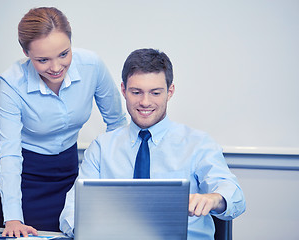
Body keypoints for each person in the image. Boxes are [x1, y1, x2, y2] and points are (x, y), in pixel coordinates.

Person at [59, 48, 246, 239]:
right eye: (136, 92)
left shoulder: (198, 143)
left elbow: (235, 197)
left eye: (155, 93)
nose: (145, 102)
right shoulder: (102, 147)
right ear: (124, 90)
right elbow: (71, 211)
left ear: (170, 91)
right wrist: (86, 231)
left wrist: (214, 199)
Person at [0, 7, 127, 237]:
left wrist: (119, 183)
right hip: (25, 175)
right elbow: (10, 154)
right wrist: (13, 218)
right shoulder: (12, 83)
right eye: (43, 60)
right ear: (25, 52)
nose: (55, 68)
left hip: (68, 170)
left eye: (64, 54)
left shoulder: (92, 66)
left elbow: (117, 124)